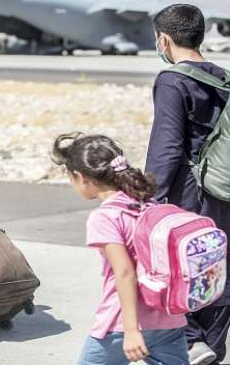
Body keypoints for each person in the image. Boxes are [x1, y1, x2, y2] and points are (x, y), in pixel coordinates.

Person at [51, 133, 188, 365]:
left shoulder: (105, 217)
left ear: (81, 177)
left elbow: (125, 273)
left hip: (121, 324)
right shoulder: (149, 204)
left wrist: (131, 330)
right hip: (169, 319)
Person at [145, 3, 230, 365]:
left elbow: (166, 146)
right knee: (218, 268)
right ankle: (211, 346)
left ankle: (193, 345)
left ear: (164, 39)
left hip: (189, 195)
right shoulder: (224, 78)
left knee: (183, 268)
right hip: (223, 191)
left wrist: (150, 199)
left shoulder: (173, 80)